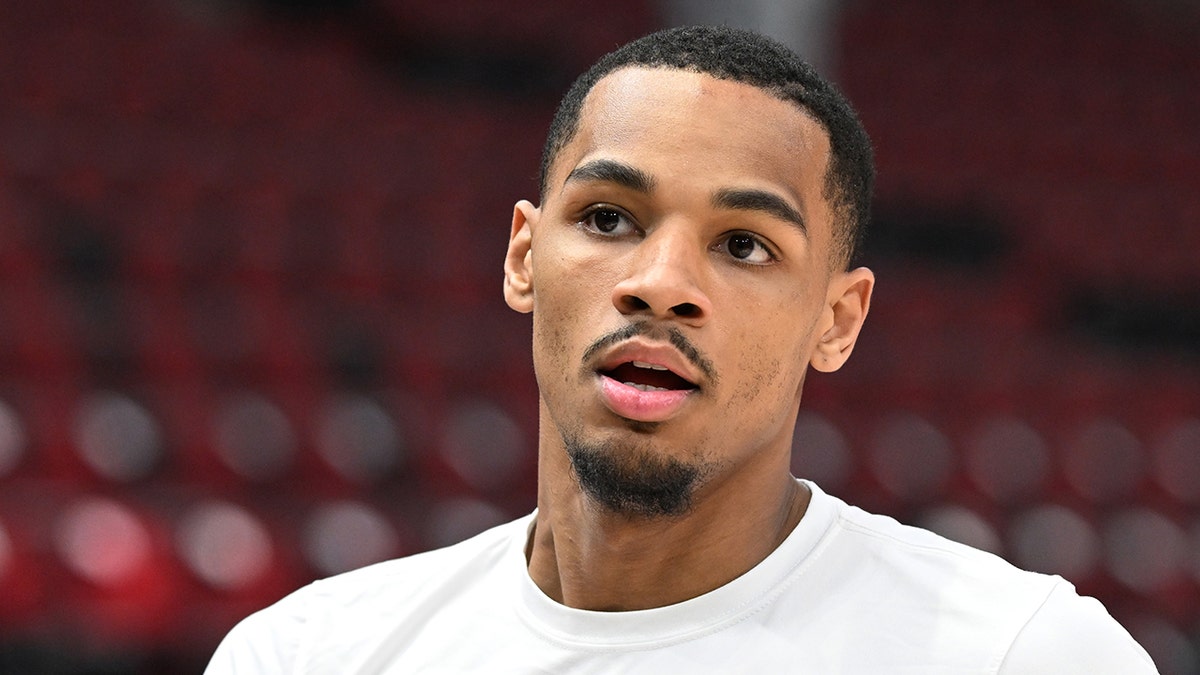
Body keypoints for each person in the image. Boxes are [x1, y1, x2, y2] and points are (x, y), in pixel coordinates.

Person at [205, 25, 1157, 673]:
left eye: (744, 244)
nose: (660, 282)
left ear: (839, 320)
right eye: (610, 217)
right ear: (525, 256)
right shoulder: (308, 654)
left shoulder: (1019, 655)